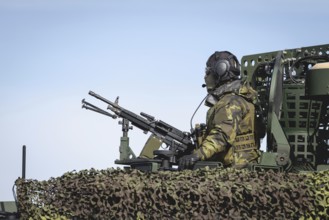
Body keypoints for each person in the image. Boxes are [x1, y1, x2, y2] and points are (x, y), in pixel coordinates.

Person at [179, 51, 260, 169]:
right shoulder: (240, 99)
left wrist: (196, 155)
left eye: (208, 72)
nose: (205, 77)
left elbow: (221, 136)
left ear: (220, 71)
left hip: (235, 168)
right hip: (241, 164)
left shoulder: (230, 102)